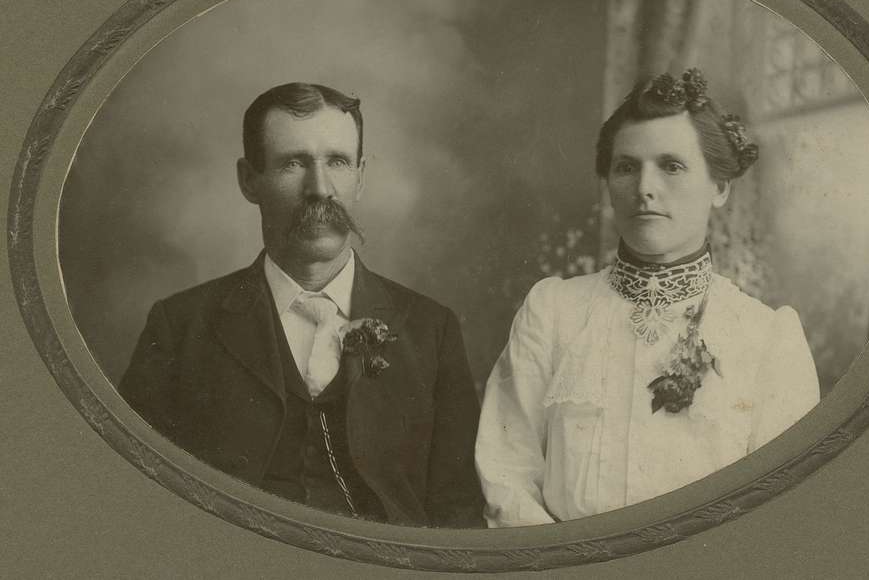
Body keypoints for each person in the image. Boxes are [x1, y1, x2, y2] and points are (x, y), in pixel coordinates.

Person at [120, 82, 484, 527]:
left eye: (338, 162)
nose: (320, 188)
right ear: (248, 180)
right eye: (293, 163)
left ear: (361, 176)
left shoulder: (431, 329)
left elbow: (458, 510)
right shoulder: (180, 327)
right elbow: (135, 498)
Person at [475, 69, 820, 526]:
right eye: (626, 167)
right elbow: (507, 472)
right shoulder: (554, 311)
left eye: (671, 165)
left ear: (719, 188)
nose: (644, 189)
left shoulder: (768, 337)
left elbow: (783, 514)